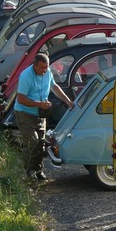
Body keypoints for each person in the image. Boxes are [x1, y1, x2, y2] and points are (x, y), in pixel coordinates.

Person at [14, 53, 74, 182]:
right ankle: (29, 172)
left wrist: (68, 101)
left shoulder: (48, 72)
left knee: (41, 144)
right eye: (41, 67)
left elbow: (54, 86)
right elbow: (21, 99)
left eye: (46, 67)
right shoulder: (26, 76)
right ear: (34, 66)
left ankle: (38, 171)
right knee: (32, 143)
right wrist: (39, 104)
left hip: (40, 114)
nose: (45, 70)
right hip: (25, 113)